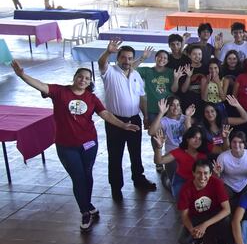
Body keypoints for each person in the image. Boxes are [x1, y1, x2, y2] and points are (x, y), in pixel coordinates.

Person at [11, 61, 140, 231]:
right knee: (78, 177)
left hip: (89, 144)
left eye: (87, 78)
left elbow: (106, 114)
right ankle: (85, 211)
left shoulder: (91, 98)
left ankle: (87, 204)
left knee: (87, 175)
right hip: (66, 146)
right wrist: (22, 75)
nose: (83, 80)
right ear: (74, 78)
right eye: (80, 76)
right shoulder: (60, 92)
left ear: (89, 82)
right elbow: (40, 85)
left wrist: (122, 125)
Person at [98, 39, 156, 202]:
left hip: (134, 119)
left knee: (135, 152)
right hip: (115, 121)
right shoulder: (109, 72)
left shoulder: (136, 75)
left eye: (130, 58)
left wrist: (144, 116)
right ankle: (116, 187)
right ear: (118, 58)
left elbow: (142, 97)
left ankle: (138, 179)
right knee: (115, 155)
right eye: (123, 57)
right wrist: (108, 52)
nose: (127, 61)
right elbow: (101, 63)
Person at [177, 159, 231, 244]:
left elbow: (227, 209)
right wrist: (193, 231)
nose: (202, 177)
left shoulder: (217, 183)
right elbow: (184, 216)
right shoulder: (186, 188)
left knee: (226, 219)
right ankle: (199, 235)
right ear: (193, 173)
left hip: (213, 213)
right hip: (196, 217)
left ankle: (219, 237)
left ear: (210, 174)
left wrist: (204, 225)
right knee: (183, 240)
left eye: (206, 173)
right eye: (199, 173)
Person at [152, 126, 209, 198]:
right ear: (188, 139)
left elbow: (223, 149)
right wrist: (159, 147)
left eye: (200, 139)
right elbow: (159, 161)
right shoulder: (179, 151)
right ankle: (166, 179)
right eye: (194, 137)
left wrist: (225, 138)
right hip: (181, 180)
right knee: (180, 197)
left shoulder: (204, 151)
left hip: (199, 179)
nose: (197, 141)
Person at [216, 130, 247, 208]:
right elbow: (217, 177)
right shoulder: (223, 157)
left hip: (245, 182)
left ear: (244, 144)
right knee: (221, 202)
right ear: (230, 143)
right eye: (234, 142)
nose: (237, 145)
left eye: (240, 142)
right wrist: (217, 174)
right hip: (228, 184)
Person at [136, 50, 176, 126]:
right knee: (155, 135)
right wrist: (142, 58)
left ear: (167, 61)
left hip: (167, 110)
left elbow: (174, 90)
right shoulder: (147, 71)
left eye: (165, 58)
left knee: (169, 134)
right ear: (155, 58)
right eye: (160, 57)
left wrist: (176, 78)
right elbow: (131, 69)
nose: (162, 59)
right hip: (152, 110)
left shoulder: (171, 72)